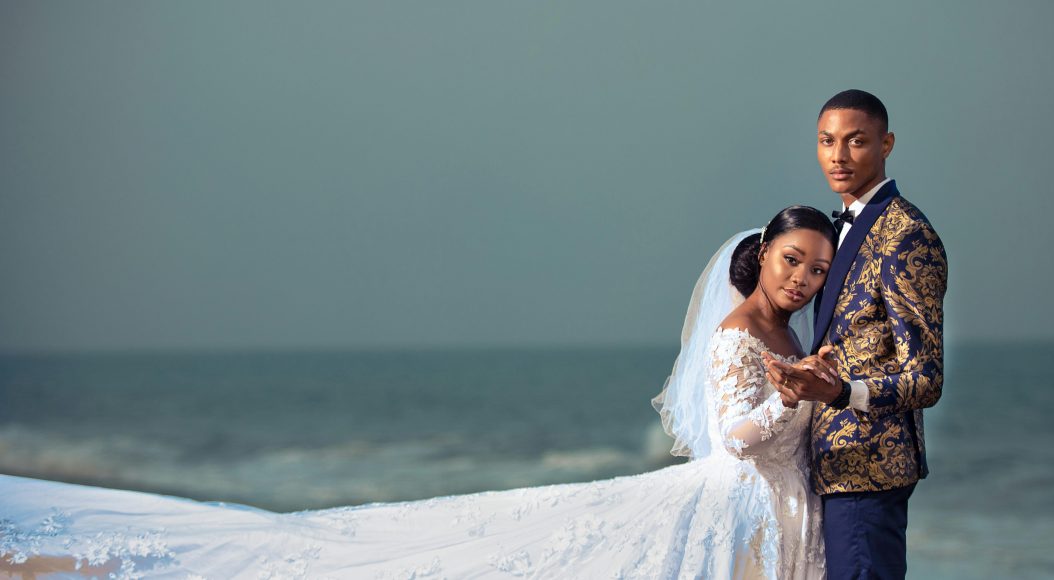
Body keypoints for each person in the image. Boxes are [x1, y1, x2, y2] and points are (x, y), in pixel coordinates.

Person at [0, 206, 843, 579]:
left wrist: (809, 386)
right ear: (761, 253)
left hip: (782, 505)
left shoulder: (787, 335)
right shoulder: (740, 334)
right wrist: (796, 397)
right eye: (791, 258)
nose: (803, 277)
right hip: (740, 499)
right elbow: (735, 436)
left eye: (816, 266)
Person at [764, 89, 948, 579]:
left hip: (871, 470)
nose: (838, 156)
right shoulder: (833, 229)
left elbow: (926, 378)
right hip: (828, 470)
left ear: (886, 144)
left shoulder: (906, 234)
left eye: (856, 141)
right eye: (827, 141)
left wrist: (843, 392)